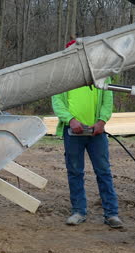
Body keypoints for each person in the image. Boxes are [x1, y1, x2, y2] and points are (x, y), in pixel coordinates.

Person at [51, 39, 123, 228]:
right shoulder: (62, 77)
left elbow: (108, 98)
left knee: (104, 172)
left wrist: (102, 121)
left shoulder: (100, 74)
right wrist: (71, 120)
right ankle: (78, 211)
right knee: (75, 172)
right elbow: (57, 103)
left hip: (96, 133)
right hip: (73, 132)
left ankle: (111, 213)